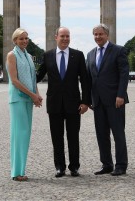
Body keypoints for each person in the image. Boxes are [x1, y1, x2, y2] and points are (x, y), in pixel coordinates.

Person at [37, 26, 89, 178]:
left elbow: (85, 80)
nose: (65, 39)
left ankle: (74, 167)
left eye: (68, 36)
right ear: (56, 37)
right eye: (62, 36)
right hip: (54, 104)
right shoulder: (47, 55)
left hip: (74, 103)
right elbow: (38, 76)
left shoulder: (78, 55)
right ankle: (60, 167)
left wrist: (85, 102)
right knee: (56, 137)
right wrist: (20, 81)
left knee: (73, 137)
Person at [86, 23, 129, 176]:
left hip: (115, 99)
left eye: (100, 34)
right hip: (97, 101)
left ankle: (121, 165)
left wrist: (121, 95)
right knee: (101, 134)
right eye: (95, 35)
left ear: (107, 35)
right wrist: (87, 99)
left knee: (118, 133)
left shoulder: (118, 50)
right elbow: (88, 79)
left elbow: (124, 74)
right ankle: (107, 164)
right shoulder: (90, 54)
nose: (98, 37)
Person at [6, 28, 43, 181]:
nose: (24, 41)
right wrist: (33, 94)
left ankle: (21, 169)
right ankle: (16, 172)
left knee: (25, 134)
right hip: (18, 98)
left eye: (26, 38)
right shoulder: (12, 55)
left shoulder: (28, 56)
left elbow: (32, 77)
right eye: (21, 38)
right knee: (19, 134)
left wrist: (37, 94)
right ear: (15, 40)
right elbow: (14, 80)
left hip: (28, 98)